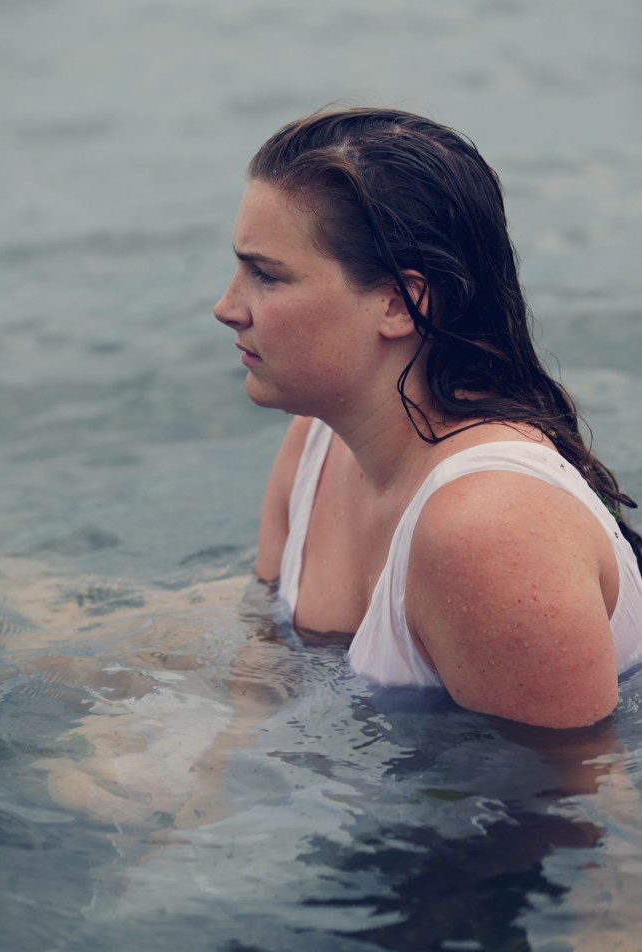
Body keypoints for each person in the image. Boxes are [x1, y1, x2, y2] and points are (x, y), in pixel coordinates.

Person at [213, 106, 642, 729]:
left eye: (266, 275)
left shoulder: (491, 530)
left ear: (399, 302)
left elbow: (569, 806)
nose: (226, 306)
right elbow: (265, 657)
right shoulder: (317, 441)